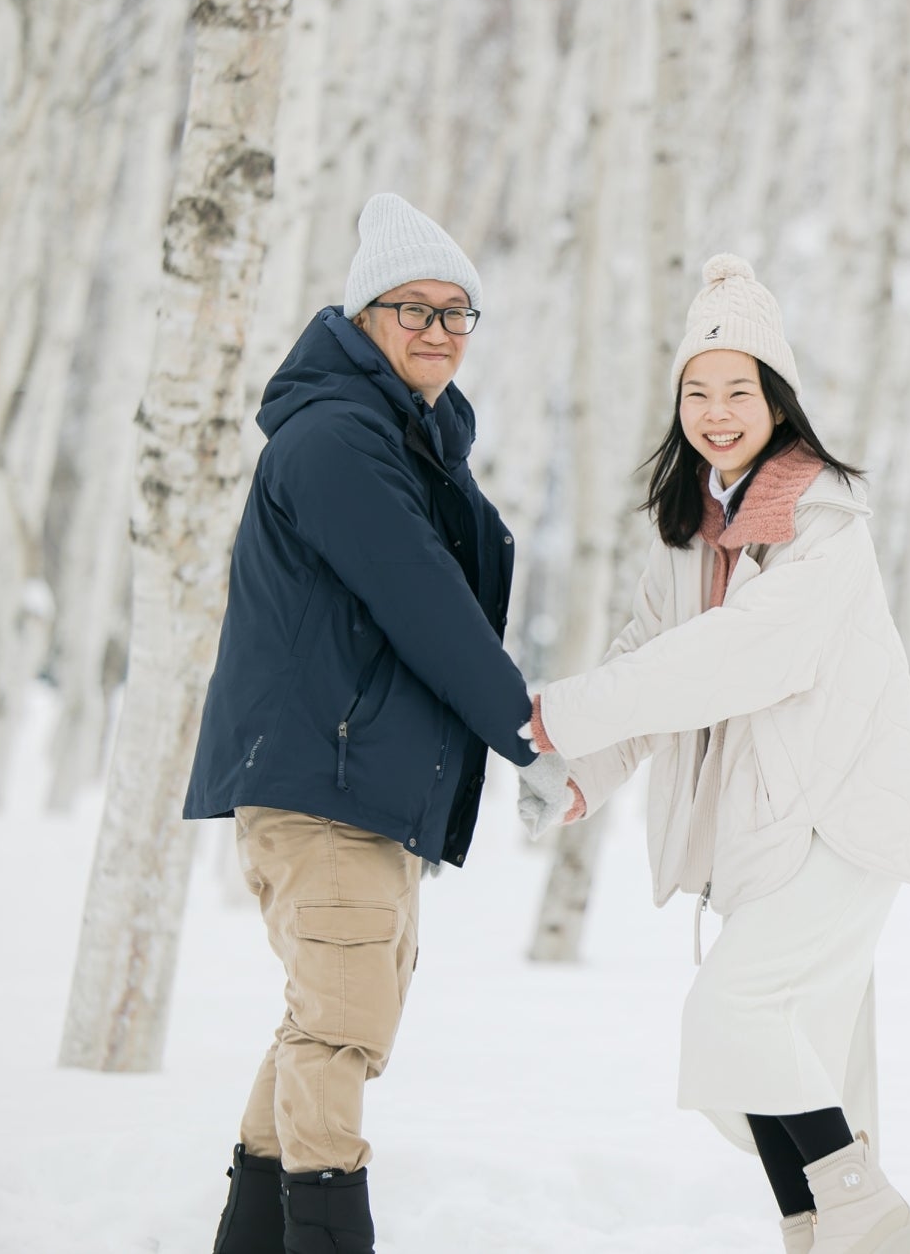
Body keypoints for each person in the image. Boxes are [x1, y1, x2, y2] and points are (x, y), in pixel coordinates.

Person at [523, 254, 910, 1254]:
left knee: (735, 1016)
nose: (717, 411)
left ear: (777, 401)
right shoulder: (689, 527)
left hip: (838, 820)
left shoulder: (821, 521)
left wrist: (566, 712)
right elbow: (650, 658)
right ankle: (813, 1232)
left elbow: (733, 658)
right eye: (697, 390)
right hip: (762, 830)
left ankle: (870, 1221)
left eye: (739, 390)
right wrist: (580, 770)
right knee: (777, 1058)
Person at [184, 193, 574, 1254]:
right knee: (342, 1029)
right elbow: (422, 601)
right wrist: (526, 733)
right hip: (325, 783)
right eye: (413, 309)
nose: (439, 332)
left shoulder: (401, 439)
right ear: (361, 317)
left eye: (457, 314)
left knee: (326, 1023)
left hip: (352, 788)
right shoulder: (338, 441)